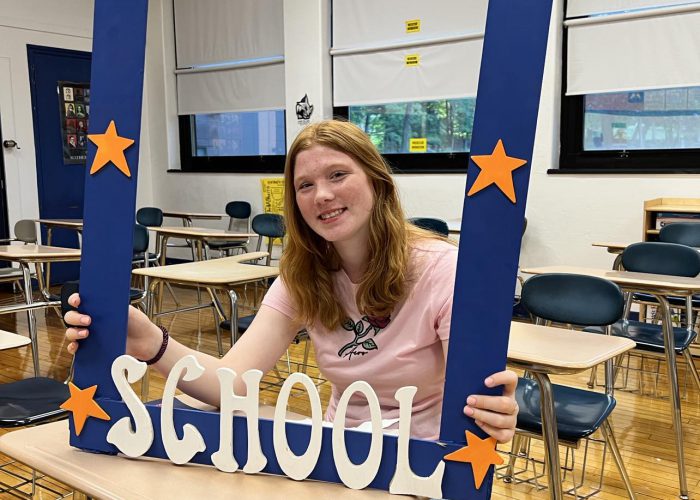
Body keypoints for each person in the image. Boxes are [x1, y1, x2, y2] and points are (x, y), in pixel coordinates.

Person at [64, 119, 518, 443]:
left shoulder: (442, 270)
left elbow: (479, 399)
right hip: (341, 456)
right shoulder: (303, 278)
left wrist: (495, 414)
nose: (322, 194)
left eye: (338, 175)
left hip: (425, 460)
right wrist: (150, 342)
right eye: (304, 185)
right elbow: (234, 383)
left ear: (377, 183)